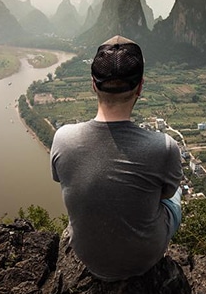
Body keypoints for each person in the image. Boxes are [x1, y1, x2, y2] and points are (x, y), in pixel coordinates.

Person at [50, 35, 183, 281]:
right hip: (144, 258)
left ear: (93, 84)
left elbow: (63, 180)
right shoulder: (164, 147)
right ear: (140, 86)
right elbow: (164, 195)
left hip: (87, 256)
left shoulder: (62, 138)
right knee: (176, 193)